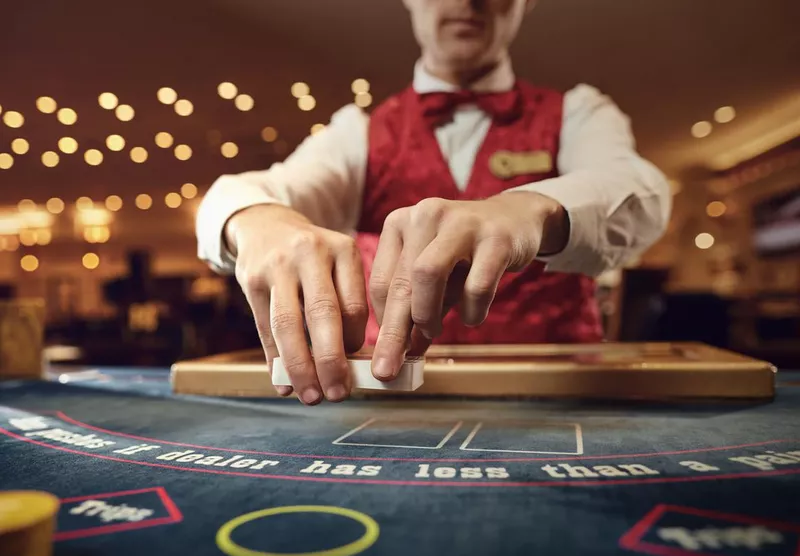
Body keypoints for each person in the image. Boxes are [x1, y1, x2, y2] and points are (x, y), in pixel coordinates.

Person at [196, 0, 671, 405]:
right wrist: (257, 221)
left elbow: (639, 190)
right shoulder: (357, 133)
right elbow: (240, 194)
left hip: (559, 400)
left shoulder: (579, 111)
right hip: (393, 402)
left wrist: (527, 209)